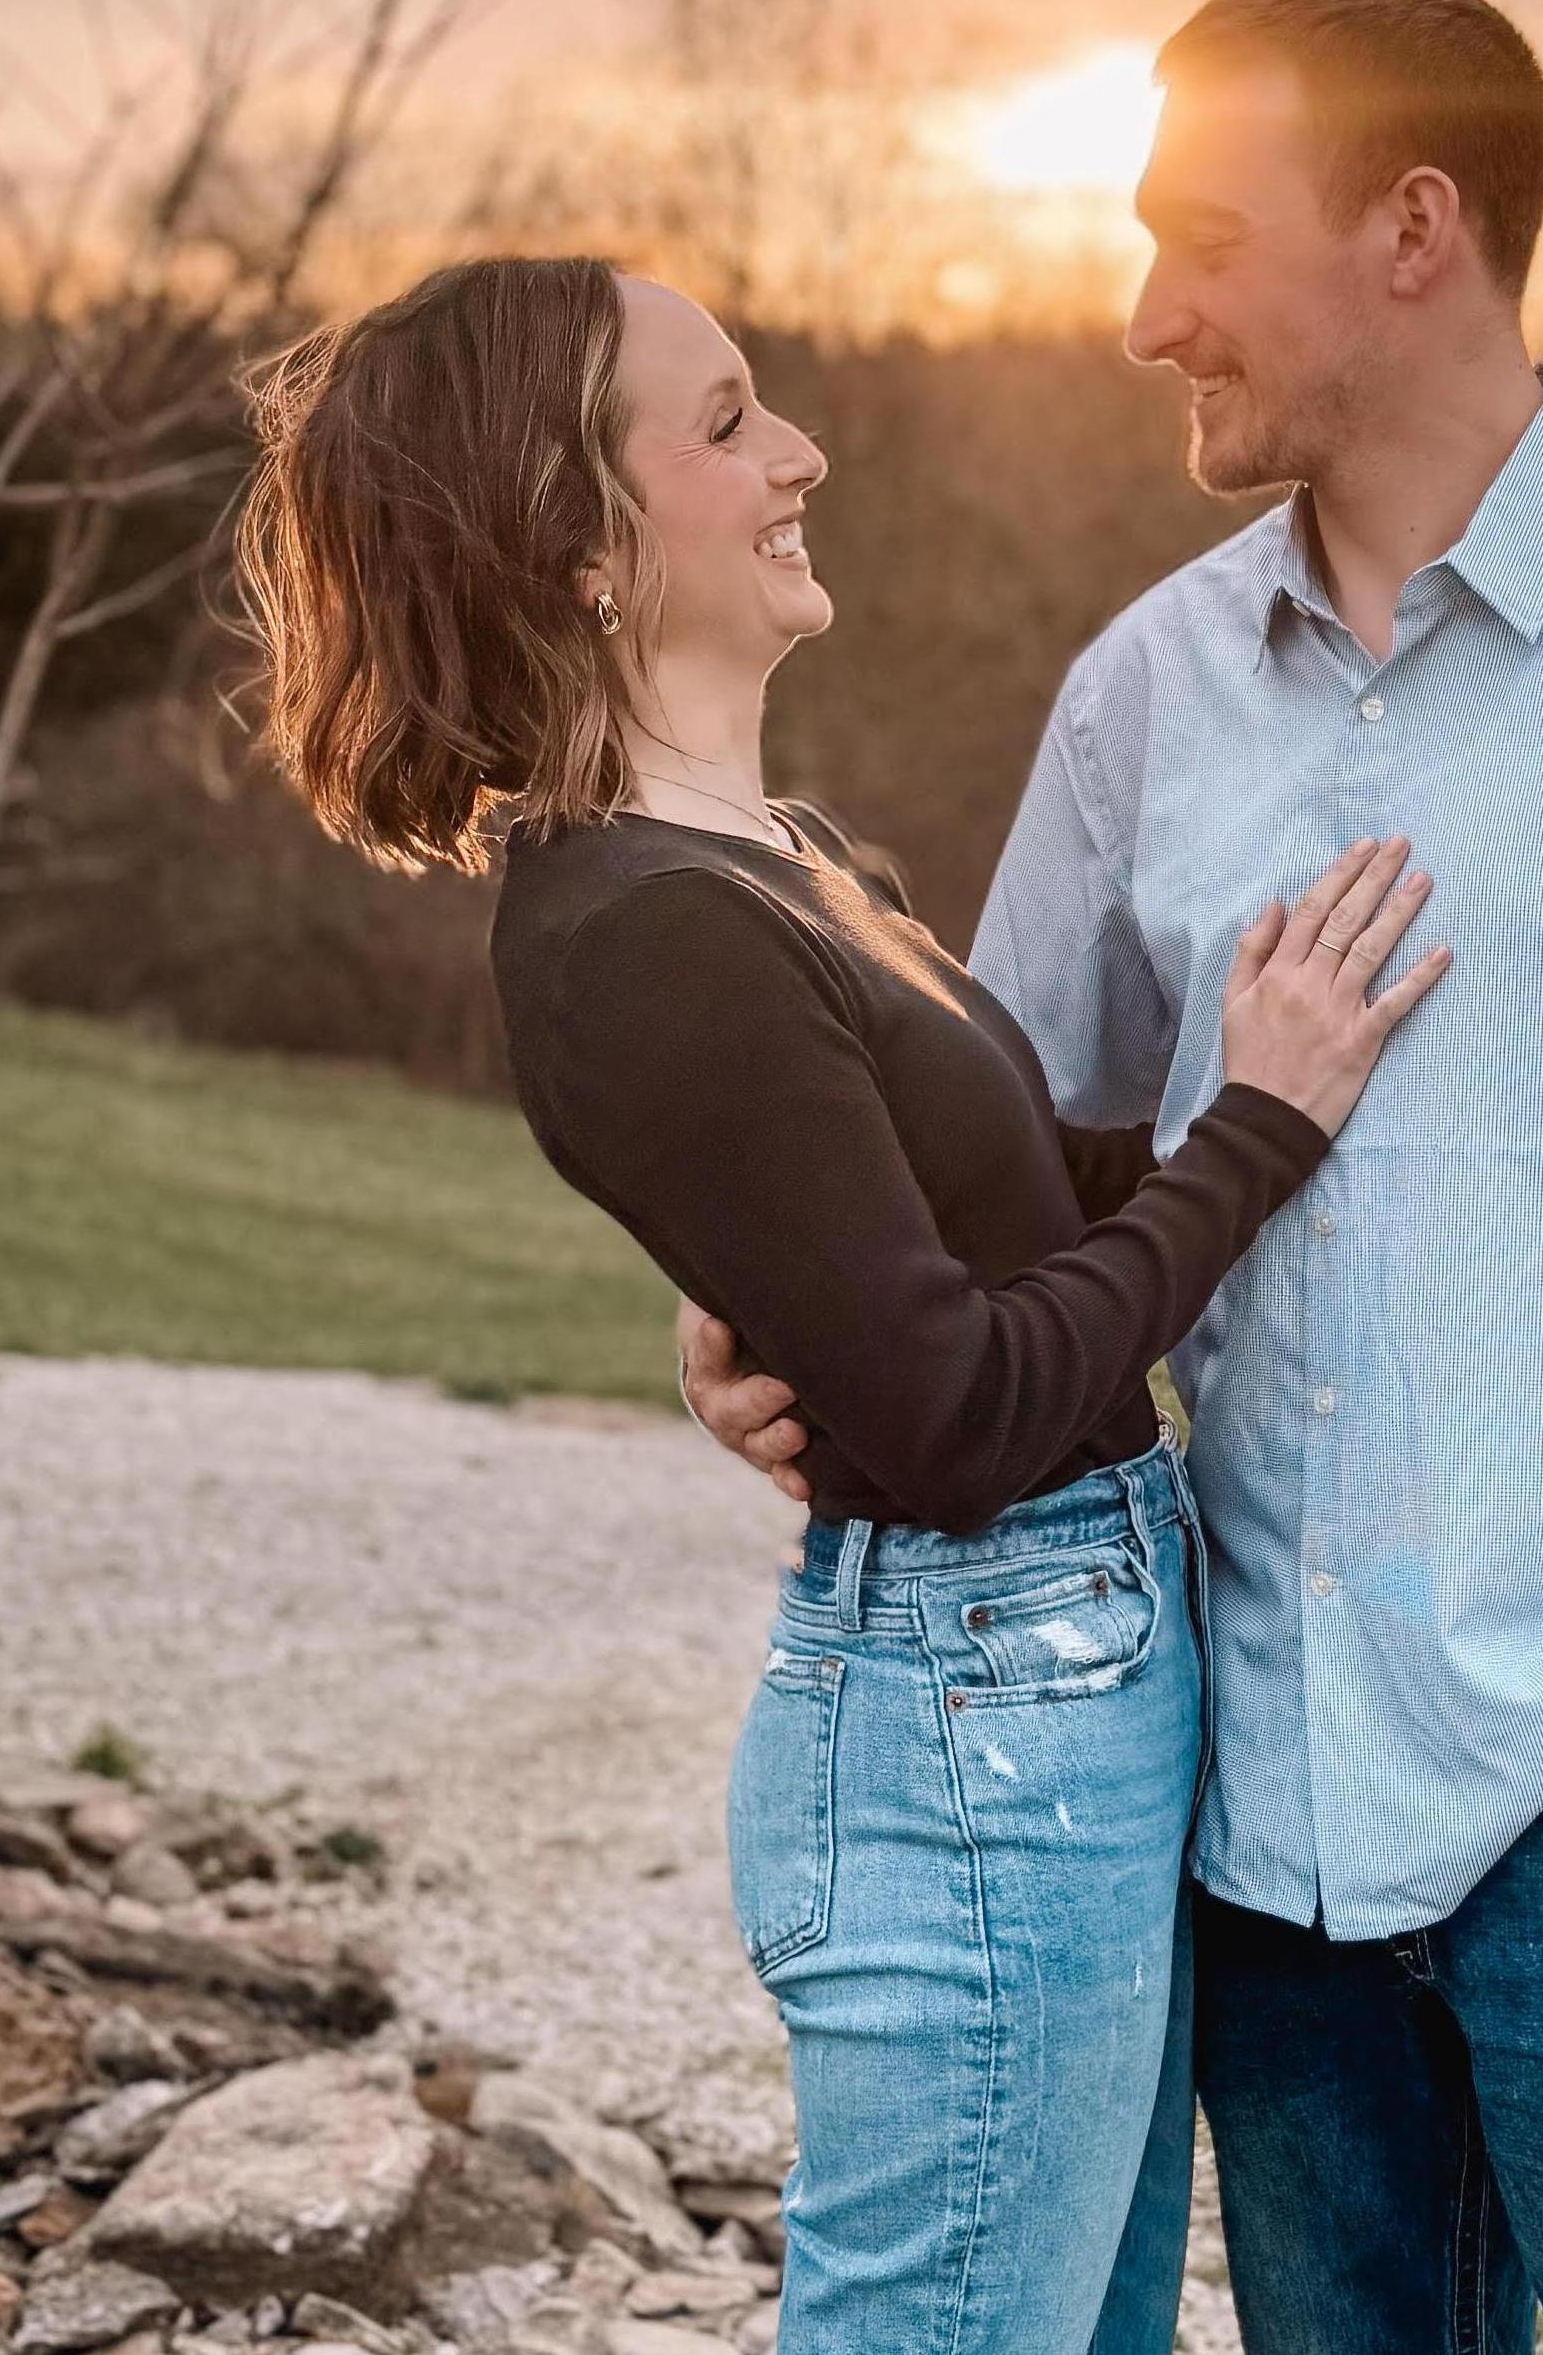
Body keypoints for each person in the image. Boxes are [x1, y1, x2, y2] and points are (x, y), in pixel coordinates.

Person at [687, 0, 1543, 2355]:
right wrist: (803, 1299)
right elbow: (1012, 1177)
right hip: (1275, 1832)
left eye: (1205, 242)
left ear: (1414, 228)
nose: (1148, 317)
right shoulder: (1143, 691)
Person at [232, 253, 1452, 2355]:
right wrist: (1258, 1129)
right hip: (976, 1737)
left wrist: (1287, 1088)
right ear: (571, 540)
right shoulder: (644, 934)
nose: (801, 452)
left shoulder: (783, 856)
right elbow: (963, 1415)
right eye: (725, 424)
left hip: (1063, 1693)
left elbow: (1007, 1224)